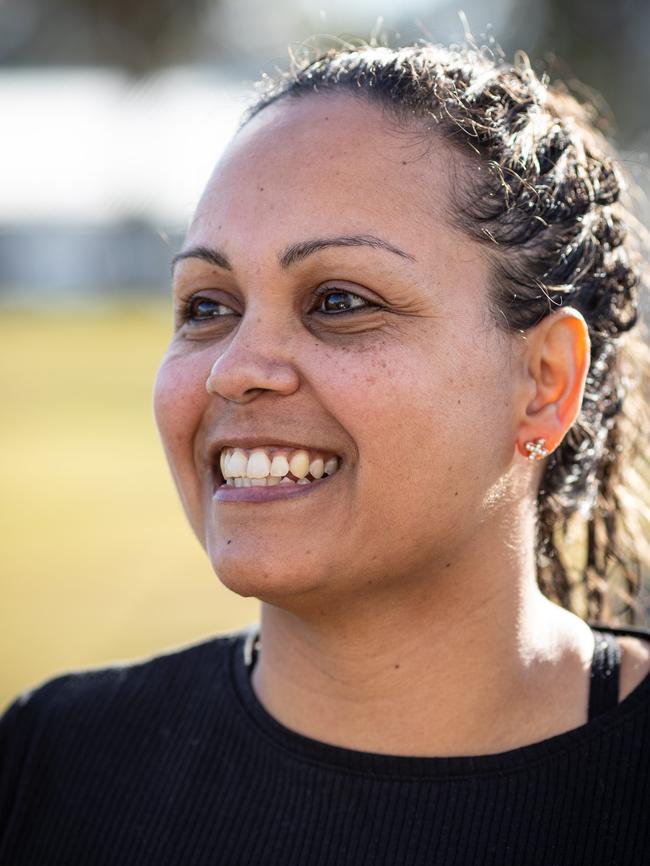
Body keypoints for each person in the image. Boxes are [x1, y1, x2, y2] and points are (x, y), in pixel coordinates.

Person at [1, 40, 650, 865]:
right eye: (207, 305)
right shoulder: (55, 769)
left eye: (339, 302)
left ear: (544, 380)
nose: (235, 370)